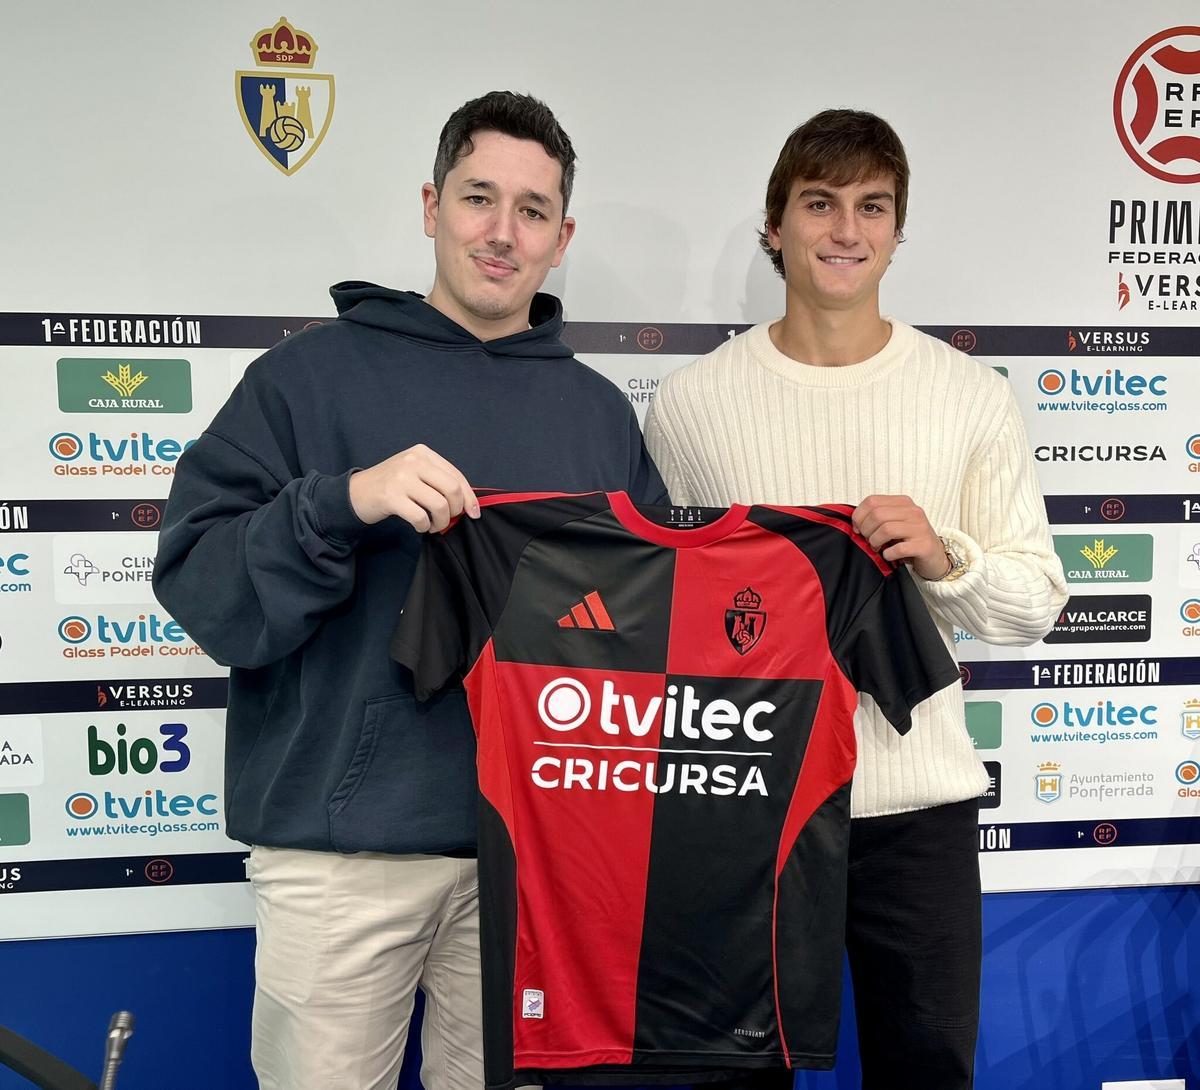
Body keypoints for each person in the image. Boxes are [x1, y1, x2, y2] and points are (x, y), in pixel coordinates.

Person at [153, 90, 666, 1090]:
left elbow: (649, 635)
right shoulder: (303, 380)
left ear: (563, 238)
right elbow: (200, 579)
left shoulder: (601, 417)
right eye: (480, 198)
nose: (501, 232)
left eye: (530, 211)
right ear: (431, 205)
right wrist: (341, 502)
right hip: (344, 858)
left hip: (535, 862)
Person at [643, 108, 1067, 1090]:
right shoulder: (691, 406)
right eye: (821, 202)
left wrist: (943, 557)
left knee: (926, 1071)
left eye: (872, 206)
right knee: (730, 1077)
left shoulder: (969, 395)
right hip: (747, 807)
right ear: (774, 224)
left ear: (897, 231)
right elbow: (666, 615)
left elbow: (1036, 602)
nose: (846, 229)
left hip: (916, 814)